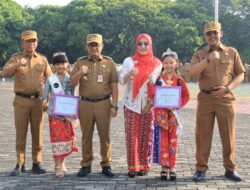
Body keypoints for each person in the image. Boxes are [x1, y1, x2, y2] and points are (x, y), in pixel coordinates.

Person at [189, 22, 246, 182]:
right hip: (205, 99)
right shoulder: (200, 54)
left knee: (228, 135)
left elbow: (240, 74)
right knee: (202, 135)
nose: (212, 36)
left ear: (221, 34)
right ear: (204, 37)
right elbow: (192, 73)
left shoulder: (231, 52)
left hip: (225, 98)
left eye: (215, 32)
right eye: (209, 33)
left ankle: (230, 168)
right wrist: (207, 60)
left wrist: (227, 89)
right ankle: (201, 168)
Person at [1, 30, 52, 176]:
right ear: (22, 43)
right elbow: (3, 73)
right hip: (21, 101)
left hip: (38, 102)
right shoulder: (15, 58)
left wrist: (47, 100)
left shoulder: (42, 60)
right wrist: (17, 65)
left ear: (37, 42)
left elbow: (50, 80)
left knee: (38, 133)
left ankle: (37, 163)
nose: (31, 43)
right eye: (28, 41)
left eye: (33, 41)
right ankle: (20, 163)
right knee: (20, 133)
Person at [70, 34, 118, 177]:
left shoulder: (109, 62)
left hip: (104, 103)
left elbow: (114, 85)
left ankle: (106, 164)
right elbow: (72, 83)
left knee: (105, 135)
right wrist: (79, 73)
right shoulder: (80, 62)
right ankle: (86, 164)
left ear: (102, 46)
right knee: (86, 135)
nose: (94, 47)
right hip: (85, 103)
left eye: (96, 45)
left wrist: (114, 105)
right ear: (87, 47)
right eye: (91, 45)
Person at [119, 33, 162, 178]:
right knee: (132, 137)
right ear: (136, 45)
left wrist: (150, 102)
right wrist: (130, 73)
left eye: (146, 44)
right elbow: (121, 81)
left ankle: (144, 165)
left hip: (148, 105)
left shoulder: (157, 63)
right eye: (140, 44)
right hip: (131, 104)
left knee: (146, 136)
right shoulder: (129, 61)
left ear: (150, 45)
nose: (143, 46)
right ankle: (133, 167)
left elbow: (158, 85)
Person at [149, 49, 190, 180]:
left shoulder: (179, 80)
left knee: (173, 142)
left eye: (171, 63)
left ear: (176, 63)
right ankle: (164, 166)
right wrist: (150, 84)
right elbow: (152, 95)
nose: (168, 65)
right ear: (162, 64)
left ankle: (172, 166)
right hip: (160, 116)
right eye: (166, 63)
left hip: (173, 116)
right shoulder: (158, 80)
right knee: (162, 142)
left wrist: (178, 105)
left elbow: (186, 95)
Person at [41, 52, 78, 178]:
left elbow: (73, 95)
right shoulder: (51, 79)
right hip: (55, 115)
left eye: (62, 63)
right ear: (53, 66)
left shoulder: (70, 78)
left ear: (67, 64)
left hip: (67, 115)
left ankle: (63, 163)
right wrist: (43, 101)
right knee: (57, 140)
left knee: (66, 140)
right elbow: (44, 96)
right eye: (57, 64)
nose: (60, 66)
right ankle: (57, 166)